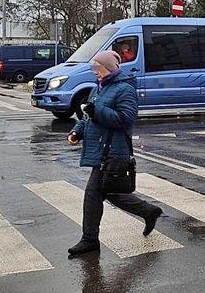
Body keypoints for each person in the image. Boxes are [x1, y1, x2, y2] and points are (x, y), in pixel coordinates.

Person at [67, 50, 162, 256]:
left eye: (98, 69)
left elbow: (125, 118)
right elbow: (88, 117)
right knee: (112, 193)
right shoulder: (98, 89)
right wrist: (77, 131)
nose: (95, 73)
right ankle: (149, 211)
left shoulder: (125, 90)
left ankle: (90, 240)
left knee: (93, 195)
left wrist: (97, 111)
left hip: (113, 151)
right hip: (101, 150)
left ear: (109, 68)